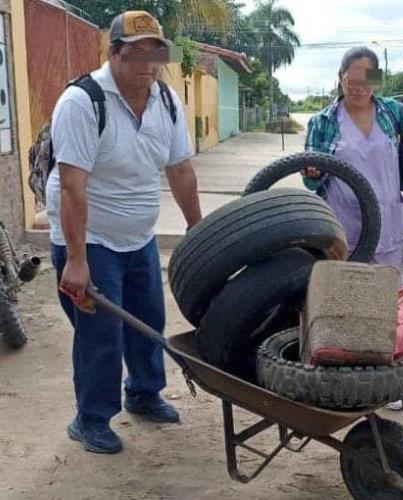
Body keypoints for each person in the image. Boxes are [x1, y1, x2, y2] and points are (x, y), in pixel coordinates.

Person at [46, 11, 202, 454]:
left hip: (139, 236)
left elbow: (181, 170)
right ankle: (90, 419)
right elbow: (72, 186)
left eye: (157, 54)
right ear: (113, 54)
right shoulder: (82, 102)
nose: (149, 66)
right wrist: (77, 261)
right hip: (89, 239)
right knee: (100, 336)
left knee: (148, 319)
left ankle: (144, 393)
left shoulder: (166, 101)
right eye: (137, 55)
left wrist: (200, 231)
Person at [303, 47, 403, 410]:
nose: (359, 86)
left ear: (376, 81)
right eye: (352, 78)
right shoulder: (323, 122)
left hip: (387, 219)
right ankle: (343, 377)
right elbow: (310, 180)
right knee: (346, 299)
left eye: (367, 79)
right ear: (340, 78)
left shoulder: (393, 113)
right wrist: (312, 175)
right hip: (342, 224)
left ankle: (386, 383)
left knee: (388, 299)